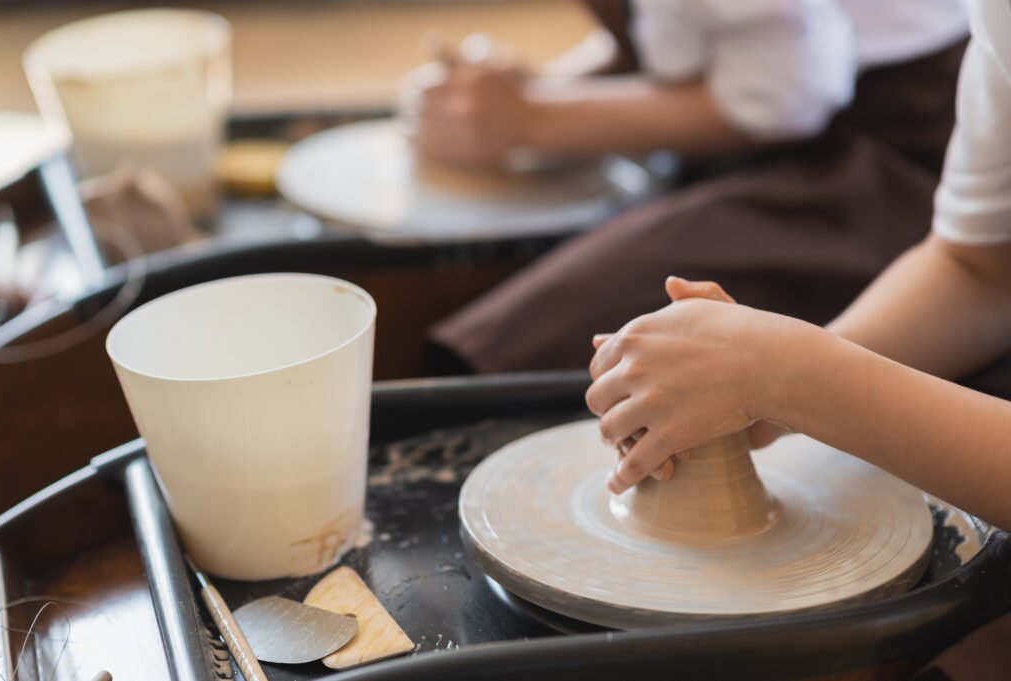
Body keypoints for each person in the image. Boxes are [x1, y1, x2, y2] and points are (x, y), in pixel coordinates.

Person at [585, 0, 1011, 533]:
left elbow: (785, 91)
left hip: (878, 150)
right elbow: (983, 269)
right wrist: (759, 389)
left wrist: (797, 378)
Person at [406, 0, 969, 374]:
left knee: (511, 346)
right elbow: (681, 35)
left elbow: (783, 95)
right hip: (769, 116)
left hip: (876, 164)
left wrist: (531, 120)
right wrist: (542, 91)